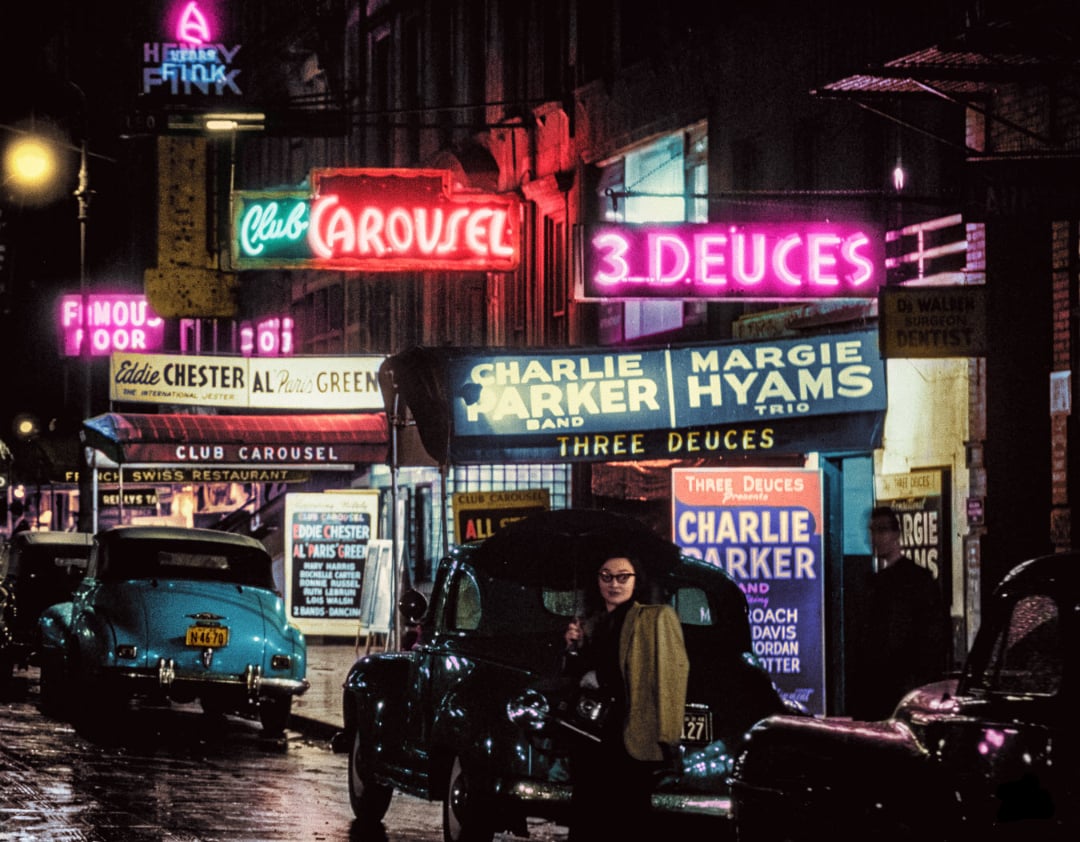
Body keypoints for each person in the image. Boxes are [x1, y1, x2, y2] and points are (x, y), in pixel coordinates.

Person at [562, 554, 689, 840]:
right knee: (589, 820)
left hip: (628, 738)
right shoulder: (592, 622)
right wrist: (572, 648)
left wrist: (668, 737)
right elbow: (575, 678)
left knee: (626, 822)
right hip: (591, 740)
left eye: (622, 577)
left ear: (636, 580)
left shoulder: (653, 617)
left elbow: (668, 677)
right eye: (606, 576)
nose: (614, 584)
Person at [849, 505, 950, 720]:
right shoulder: (887, 582)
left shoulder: (911, 582)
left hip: (896, 688)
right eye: (873, 531)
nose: (875, 538)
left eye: (881, 530)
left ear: (896, 534)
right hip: (888, 689)